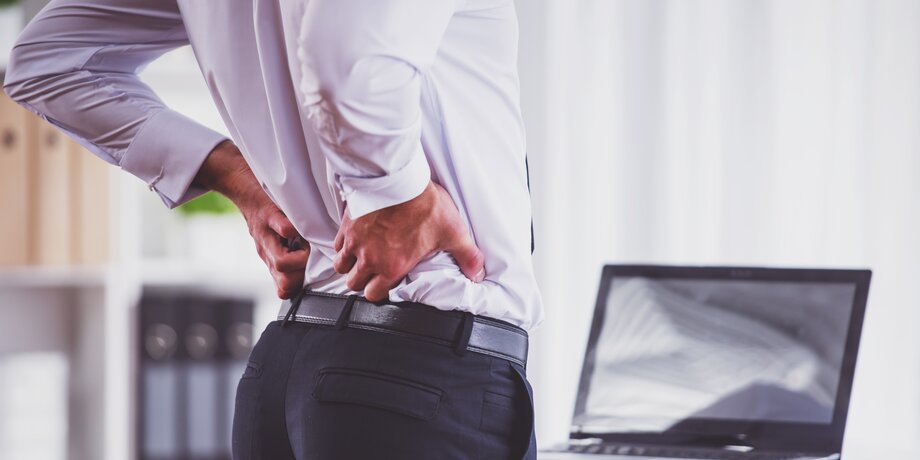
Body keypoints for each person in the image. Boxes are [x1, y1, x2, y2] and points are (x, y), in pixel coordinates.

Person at [4, 0, 543, 458]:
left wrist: (231, 174)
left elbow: (47, 62)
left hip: (293, 367)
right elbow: (345, 50)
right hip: (416, 373)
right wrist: (393, 191)